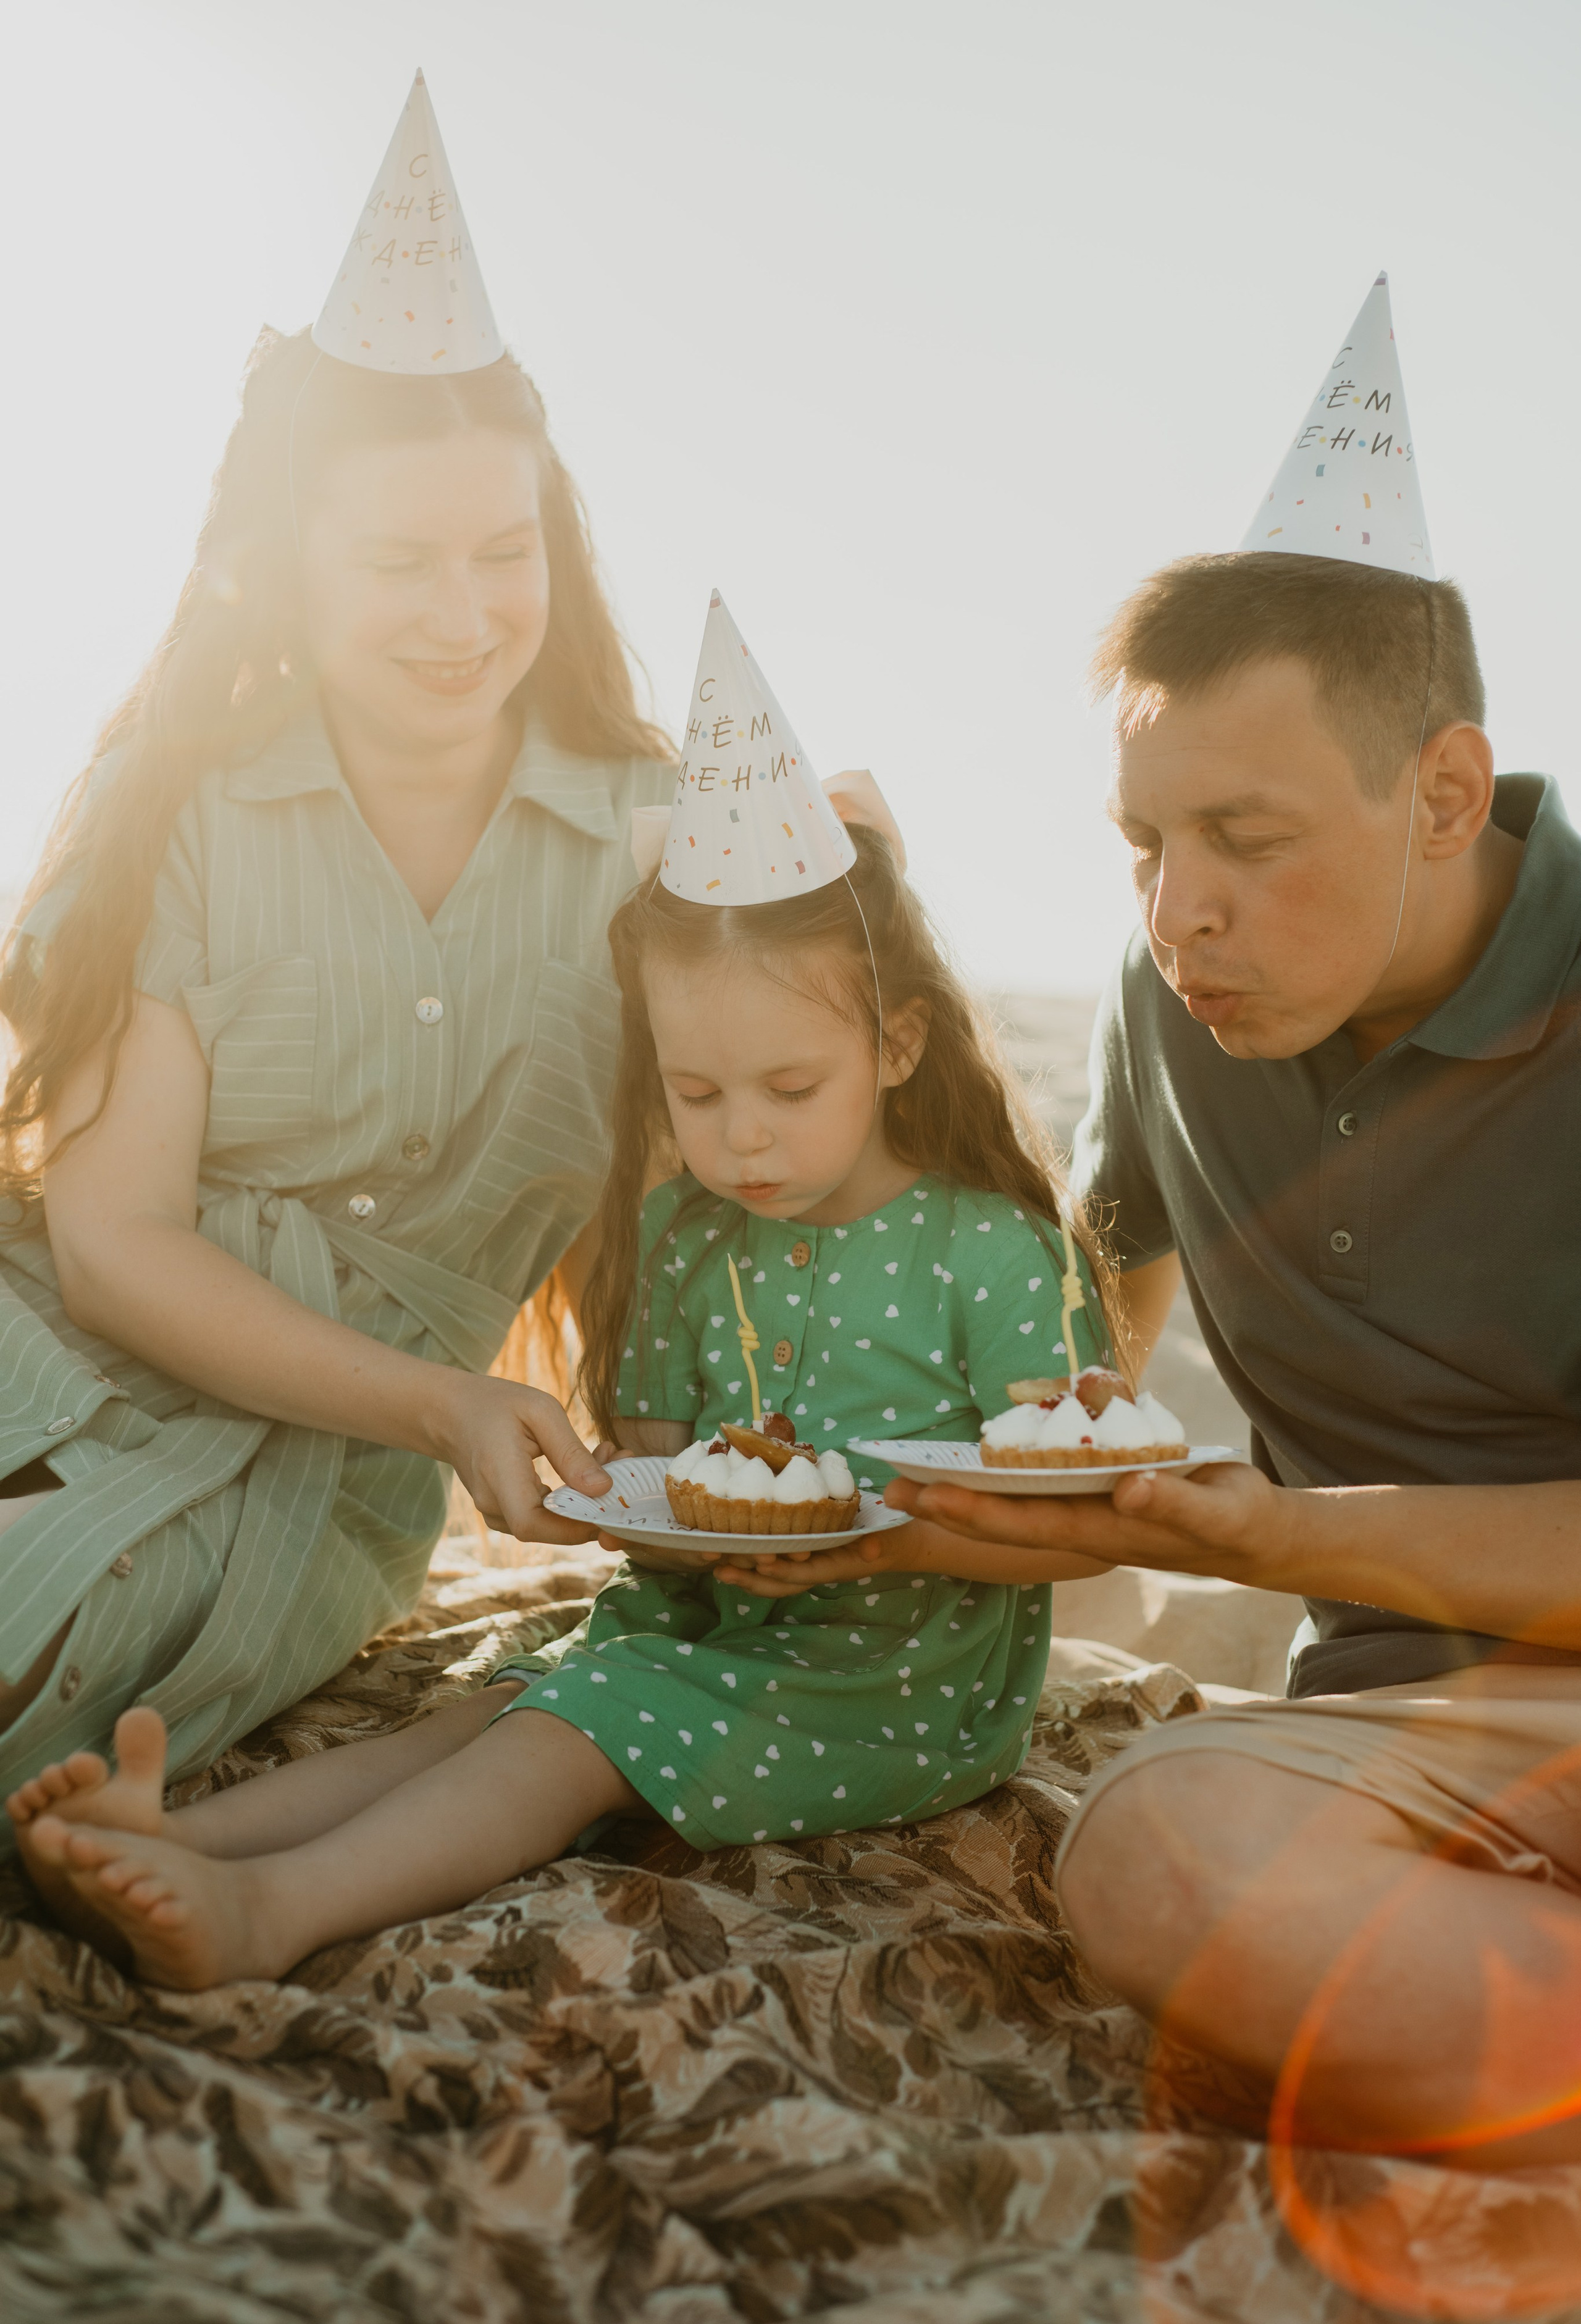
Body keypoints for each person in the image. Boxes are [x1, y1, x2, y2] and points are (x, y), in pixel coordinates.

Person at [0, 81, 892, 1842]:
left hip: (303, 1478)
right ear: (285, 568)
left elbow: (763, 1165)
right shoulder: (171, 807)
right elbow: (108, 1241)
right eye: (398, 560)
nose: (465, 613)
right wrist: (449, 1400)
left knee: (56, 1637)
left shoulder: (657, 844)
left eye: (506, 554)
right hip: (58, 1338)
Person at [7, 634, 1119, 1983]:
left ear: (894, 1046)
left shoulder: (991, 1250)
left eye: (787, 1087)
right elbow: (653, 1472)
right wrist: (614, 1499)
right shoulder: (681, 1231)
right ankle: (176, 1839)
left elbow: (1082, 1534)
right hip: (699, 1627)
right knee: (468, 1718)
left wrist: (883, 1550)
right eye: (695, 1097)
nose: (742, 1140)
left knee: (562, 1736)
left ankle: (274, 1911)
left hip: (895, 1680)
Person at [884, 276, 1581, 2168]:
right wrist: (928, 1513)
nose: (1178, 909)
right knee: (1151, 1851)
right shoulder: (1168, 990)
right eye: (1144, 842)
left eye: (1248, 842)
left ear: (1443, 793)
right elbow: (1090, 1335)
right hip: (1400, 1747)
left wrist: (1281, 1537)